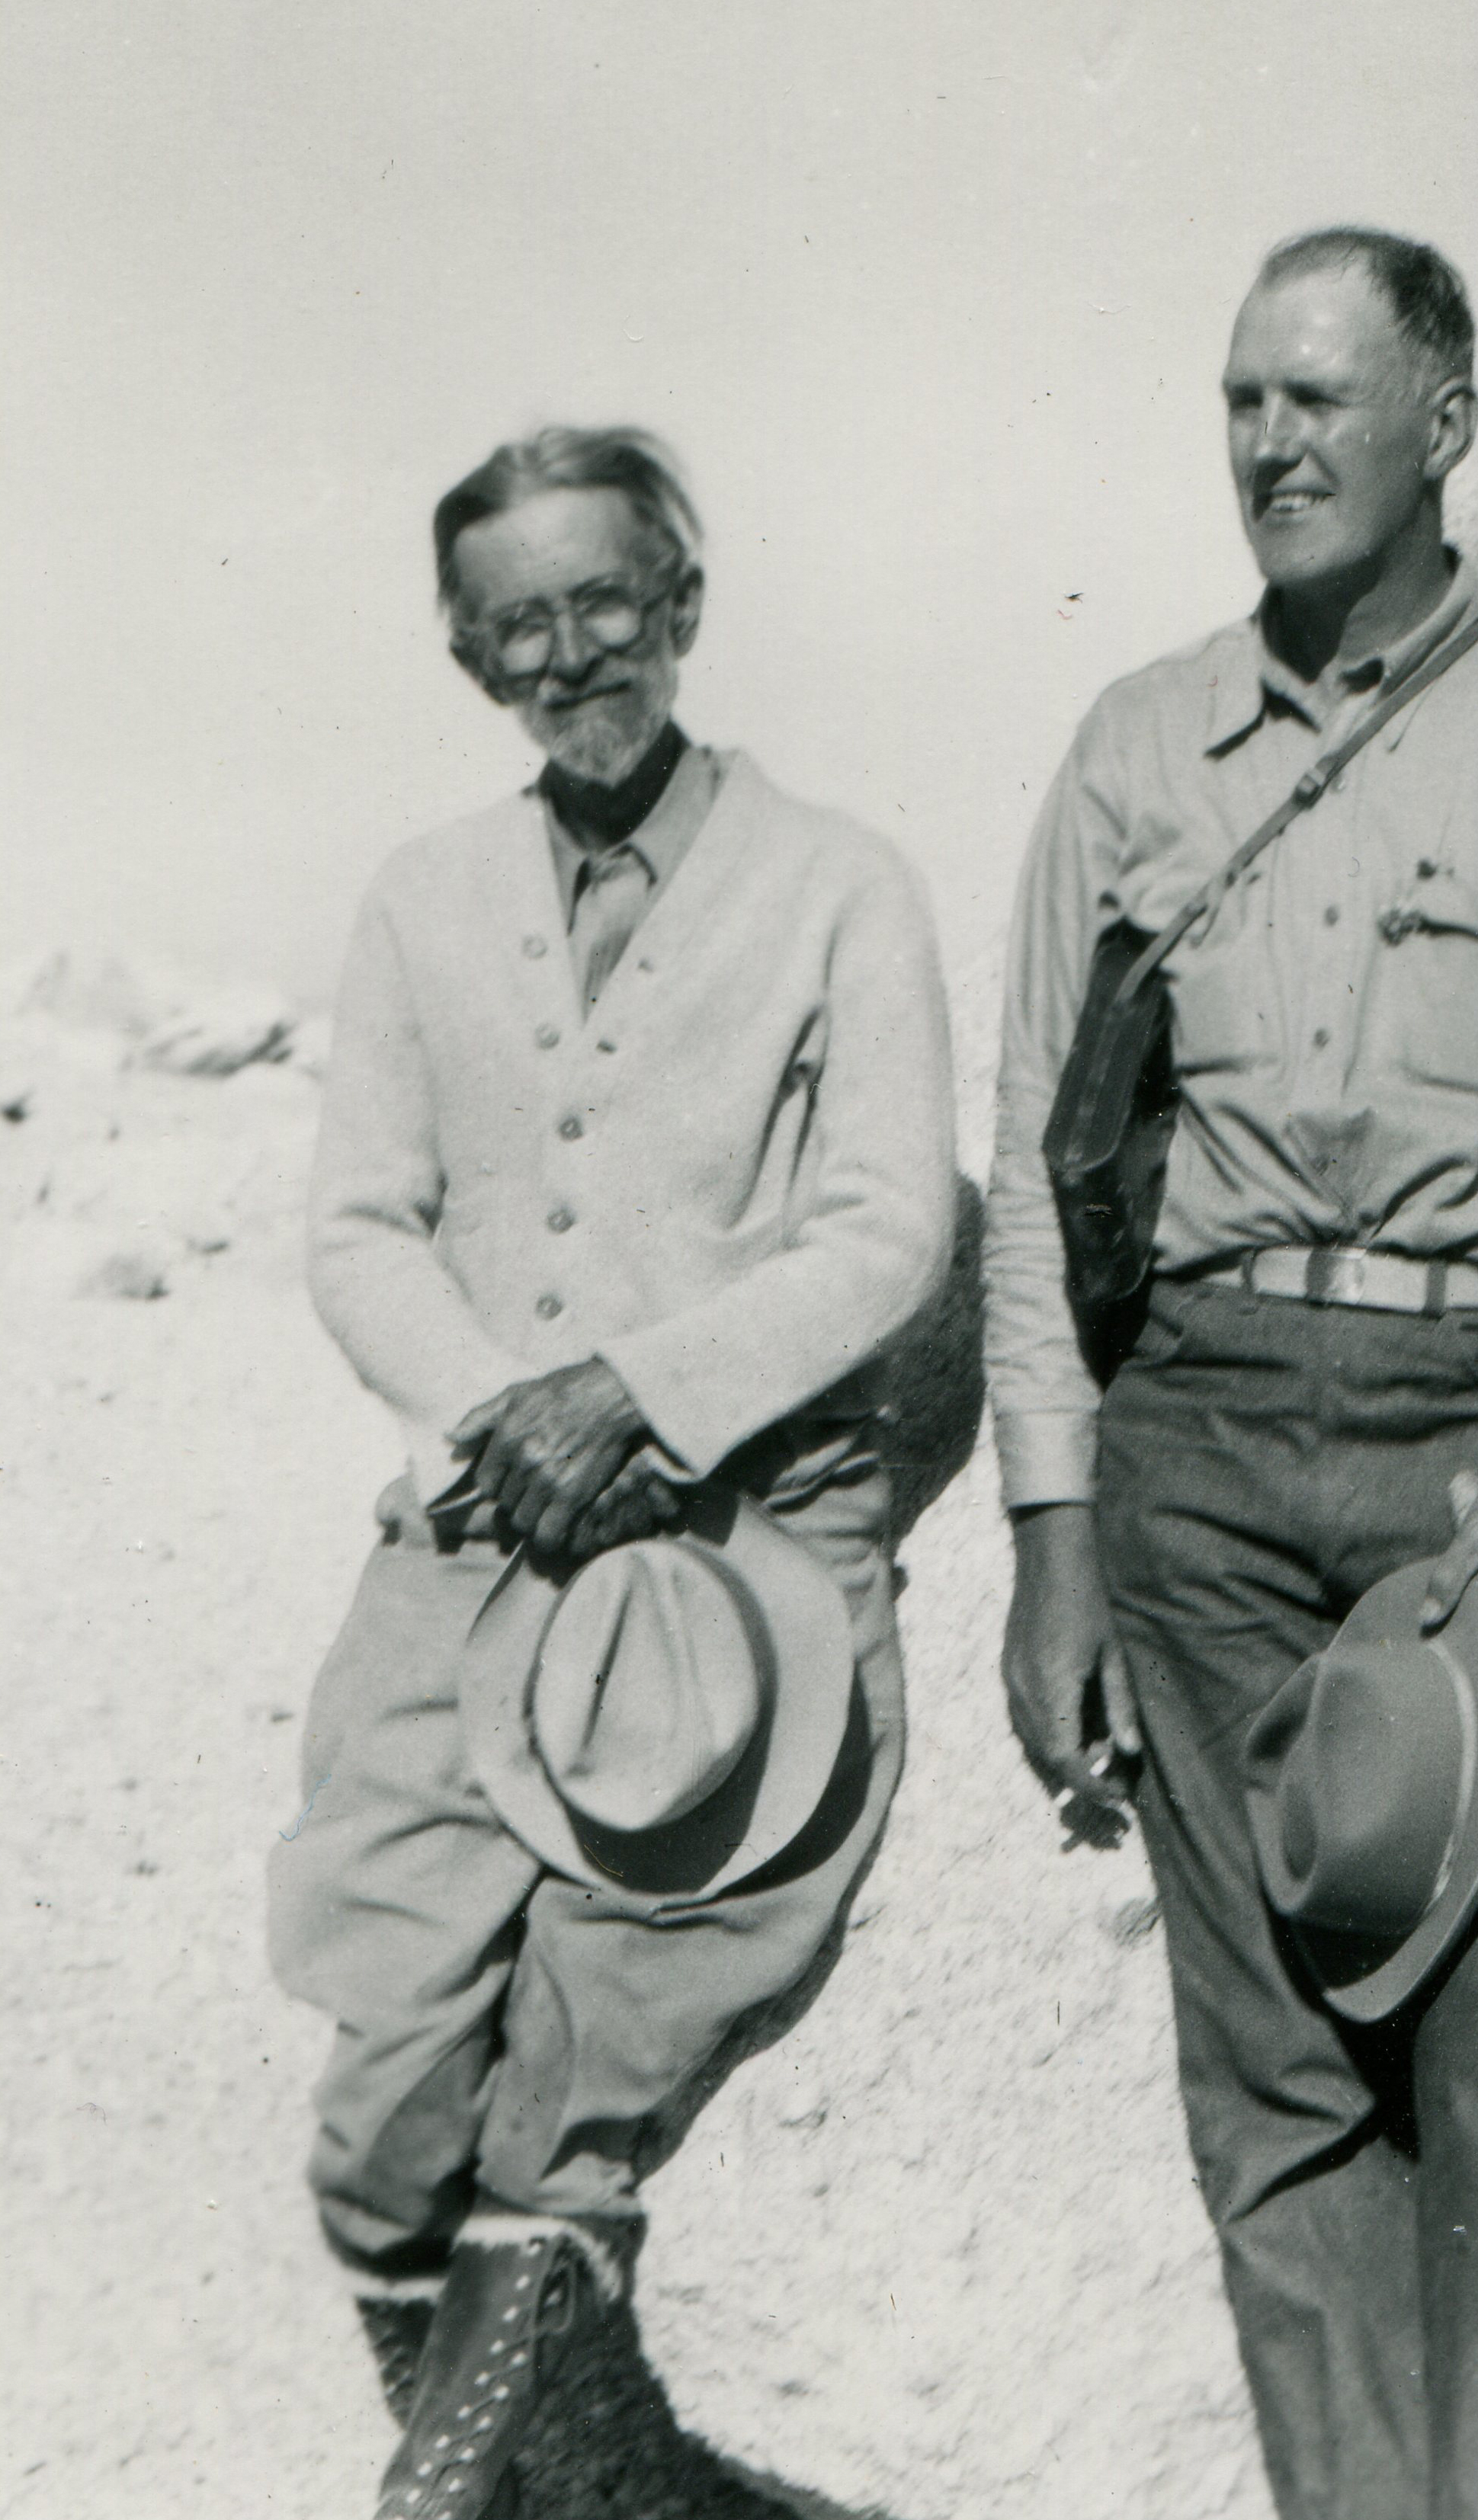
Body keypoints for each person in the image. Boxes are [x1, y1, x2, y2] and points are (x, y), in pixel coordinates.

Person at [981, 229, 1478, 2519]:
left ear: (1448, 422)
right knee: (1276, 2091)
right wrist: (1048, 1535)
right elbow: (1038, 1160)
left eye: (1317, 399)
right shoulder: (1135, 747)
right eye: (1239, 401)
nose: (1270, 445)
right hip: (1200, 1463)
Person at [276, 425, 953, 2519]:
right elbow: (356, 1225)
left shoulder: (838, 883)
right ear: (471, 657)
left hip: (730, 1567)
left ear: (681, 603)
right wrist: (506, 1412)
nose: (572, 654)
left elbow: (884, 1226)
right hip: (476, 1545)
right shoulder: (422, 899)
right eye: (519, 624)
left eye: (603, 602)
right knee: (382, 2101)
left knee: (570, 2112)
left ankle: (458, 2495)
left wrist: (640, 1398)